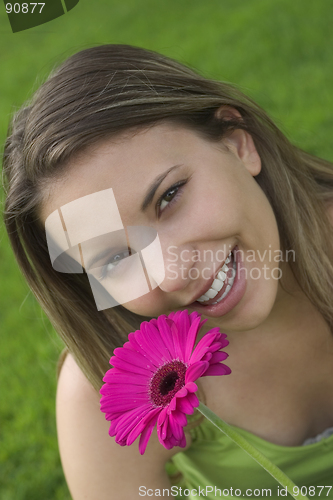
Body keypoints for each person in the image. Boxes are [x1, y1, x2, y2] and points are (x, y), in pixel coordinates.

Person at [3, 44, 333, 500]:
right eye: (114, 259)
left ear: (239, 145)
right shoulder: (103, 393)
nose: (171, 274)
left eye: (169, 197)